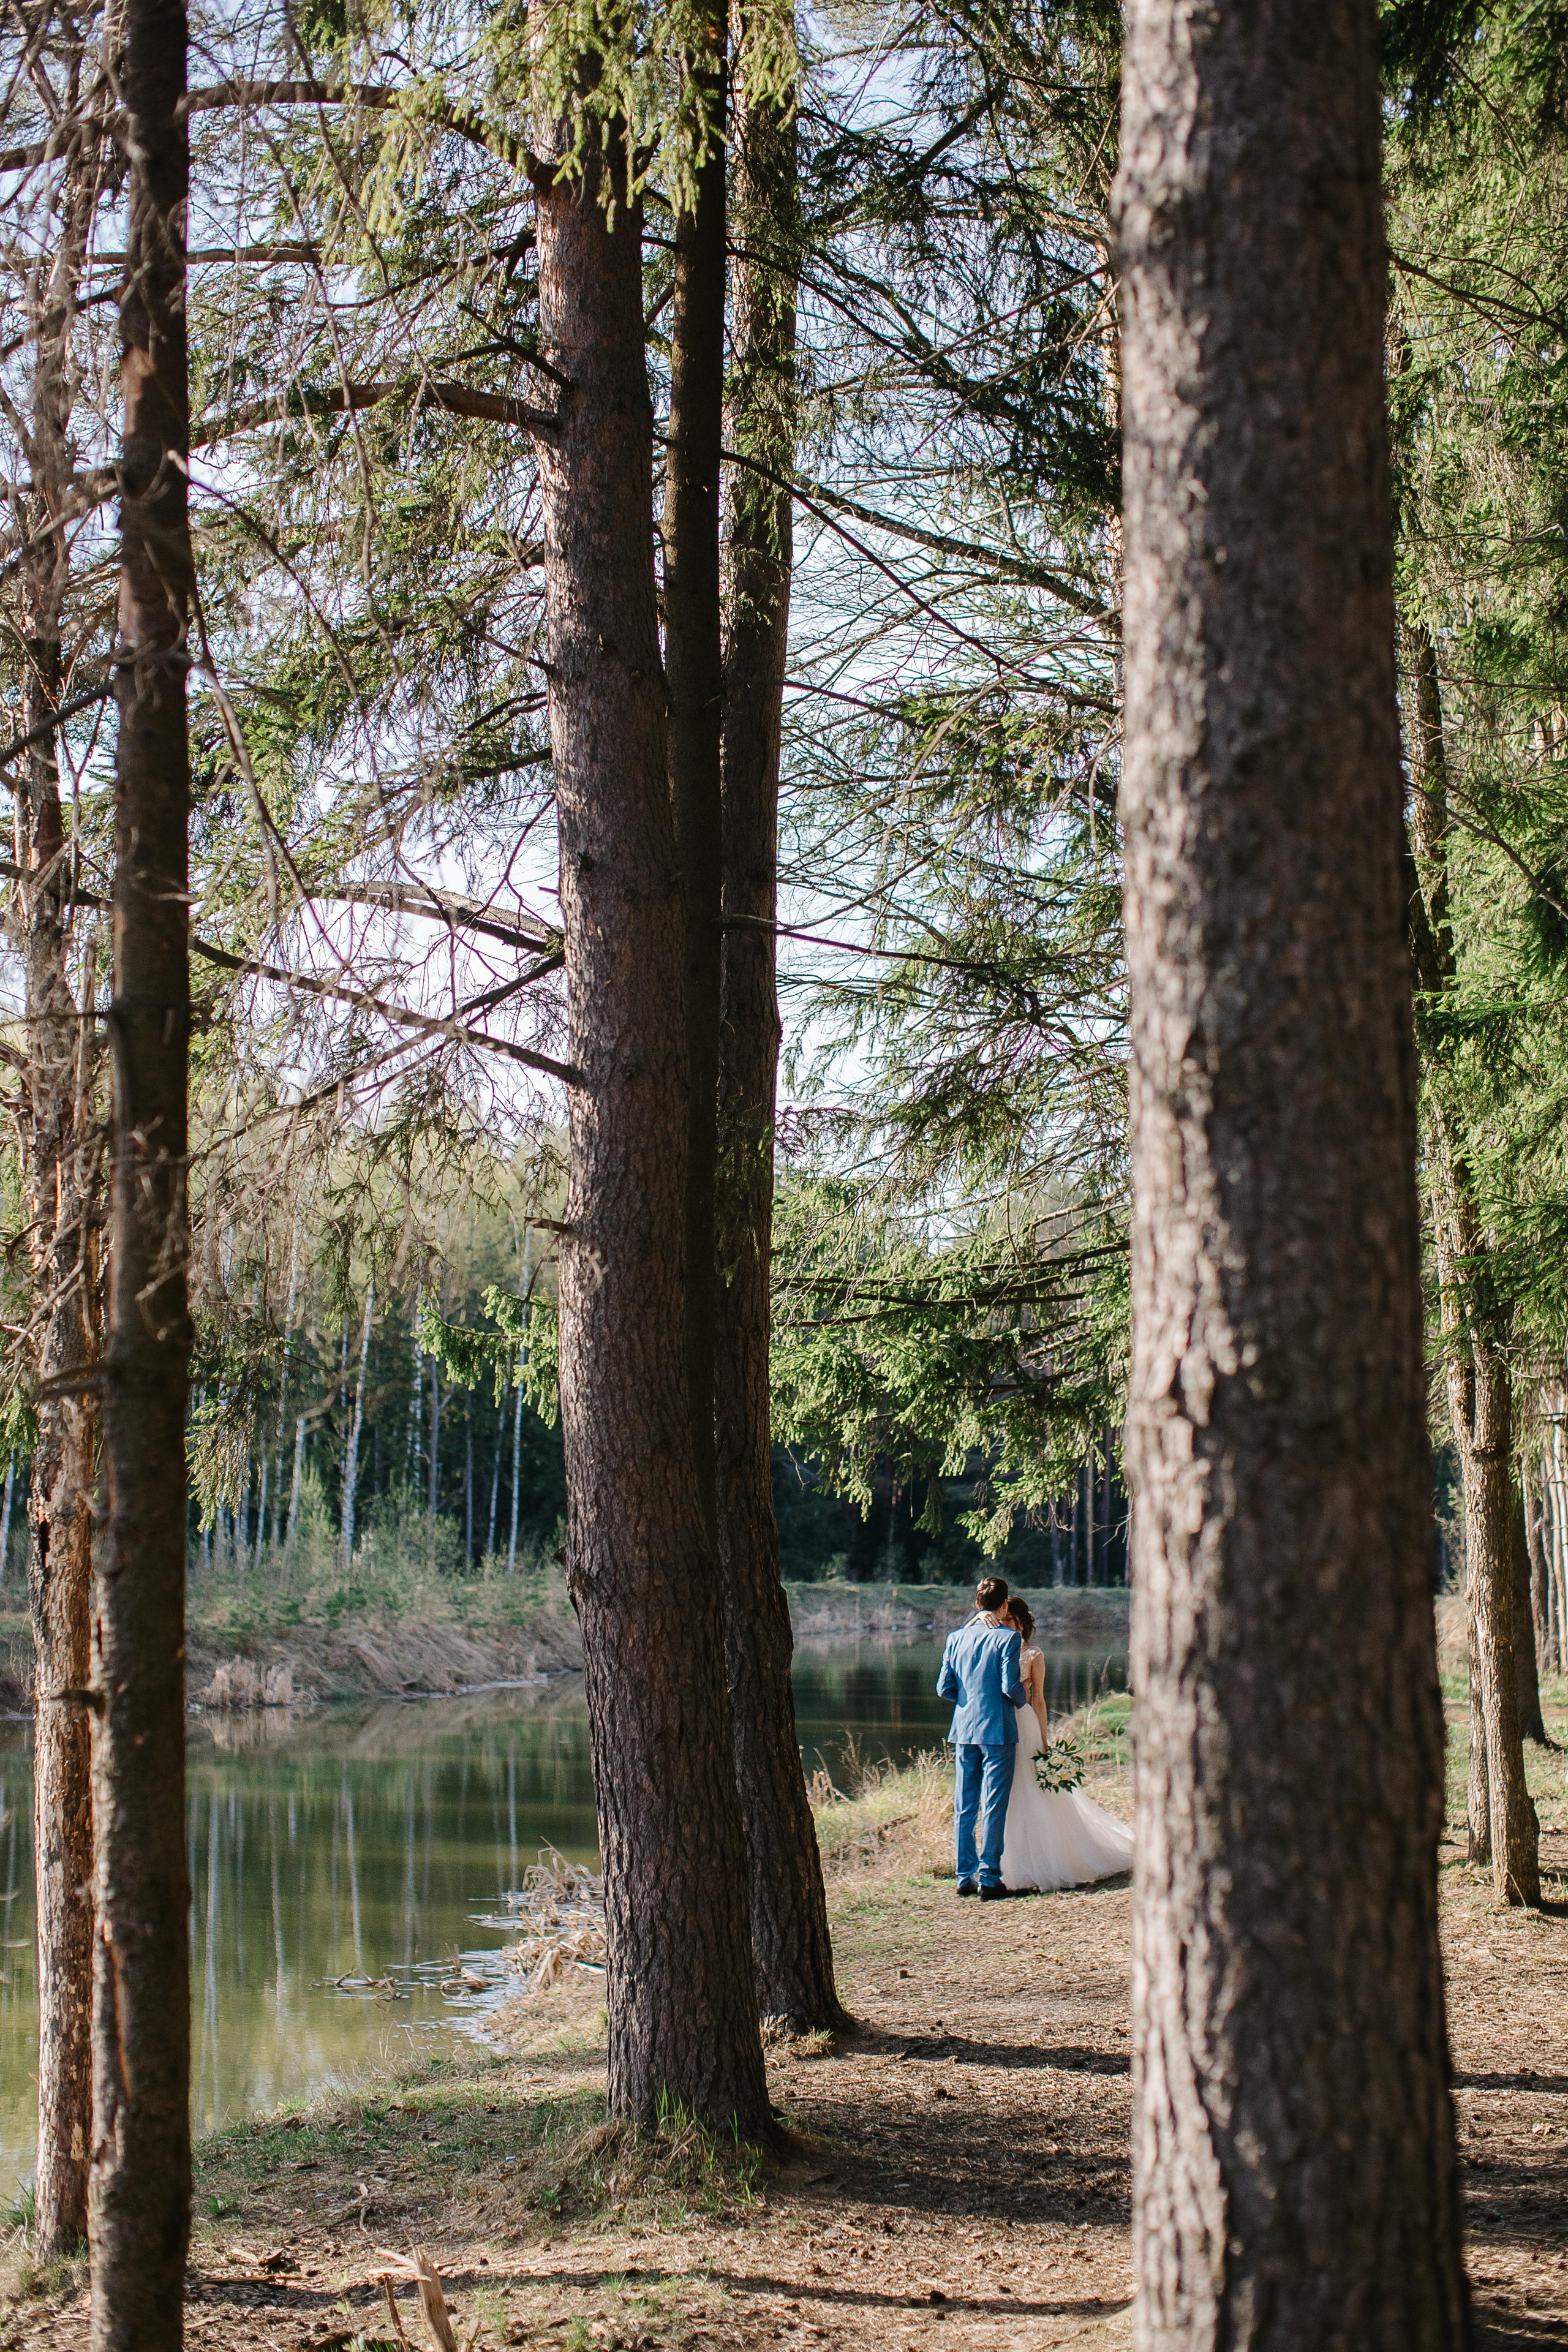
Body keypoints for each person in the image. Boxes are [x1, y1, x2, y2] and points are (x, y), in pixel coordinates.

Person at [997, 1596, 1134, 1891]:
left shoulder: (1033, 1655)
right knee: (1007, 1793)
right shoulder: (994, 1649)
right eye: (1002, 1619)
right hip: (999, 1726)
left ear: (1022, 1623)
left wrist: (1043, 1741)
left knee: (1030, 1789)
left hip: (1025, 1726)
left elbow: (1039, 1700)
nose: (1004, 1624)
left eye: (1010, 1620)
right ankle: (1008, 1861)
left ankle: (1045, 1860)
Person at [937, 1575, 1029, 1899]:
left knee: (965, 1806)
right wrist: (1024, 1698)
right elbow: (1009, 1687)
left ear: (977, 1604)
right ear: (1004, 1605)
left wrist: (967, 1704)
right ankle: (990, 1879)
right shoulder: (1008, 1638)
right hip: (998, 1730)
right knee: (994, 1804)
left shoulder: (955, 1638)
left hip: (964, 1730)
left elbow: (943, 1688)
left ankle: (964, 1877)